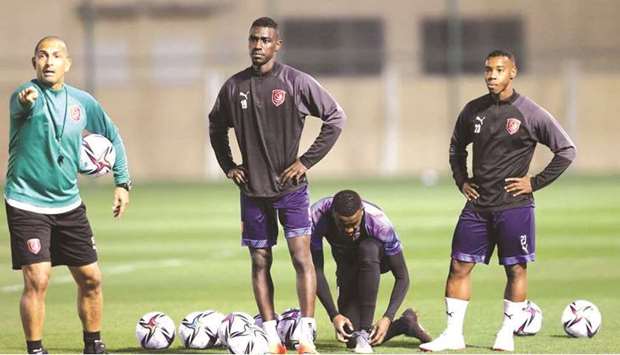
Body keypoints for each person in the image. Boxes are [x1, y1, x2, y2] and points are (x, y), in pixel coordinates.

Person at [419, 49, 576, 352]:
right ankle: (453, 334)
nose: (492, 75)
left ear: (513, 73)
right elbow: (455, 148)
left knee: (515, 269)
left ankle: (506, 332)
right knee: (458, 266)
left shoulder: (530, 113)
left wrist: (534, 182)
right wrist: (462, 180)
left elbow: (566, 151)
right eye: (488, 70)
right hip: (477, 206)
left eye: (499, 70)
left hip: (514, 206)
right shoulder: (472, 110)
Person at [208, 17, 346, 354]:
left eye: (265, 40)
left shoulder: (296, 82)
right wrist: (229, 166)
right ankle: (270, 335)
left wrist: (306, 161)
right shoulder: (233, 87)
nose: (258, 45)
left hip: (291, 191)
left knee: (302, 258)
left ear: (277, 45)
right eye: (254, 39)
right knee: (259, 261)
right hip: (253, 192)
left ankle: (306, 334)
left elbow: (335, 117)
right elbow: (215, 126)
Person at [5, 36, 131, 354]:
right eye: (43, 56)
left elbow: (113, 136)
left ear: (67, 64)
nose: (49, 62)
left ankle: (93, 345)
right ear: (34, 62)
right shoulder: (23, 96)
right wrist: (25, 100)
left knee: (91, 278)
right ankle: (35, 349)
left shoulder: (82, 102)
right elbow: (20, 104)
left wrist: (122, 182)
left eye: (56, 56)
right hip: (26, 202)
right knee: (38, 279)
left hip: (68, 203)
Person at [310, 190, 432, 353]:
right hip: (348, 265)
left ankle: (365, 332)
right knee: (350, 338)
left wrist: (388, 316)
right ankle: (405, 324)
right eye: (343, 224)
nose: (349, 230)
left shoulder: (379, 222)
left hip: (377, 259)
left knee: (367, 248)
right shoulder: (316, 217)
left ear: (361, 212)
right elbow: (314, 270)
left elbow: (402, 277)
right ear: (333, 214)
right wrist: (334, 315)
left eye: (354, 224)